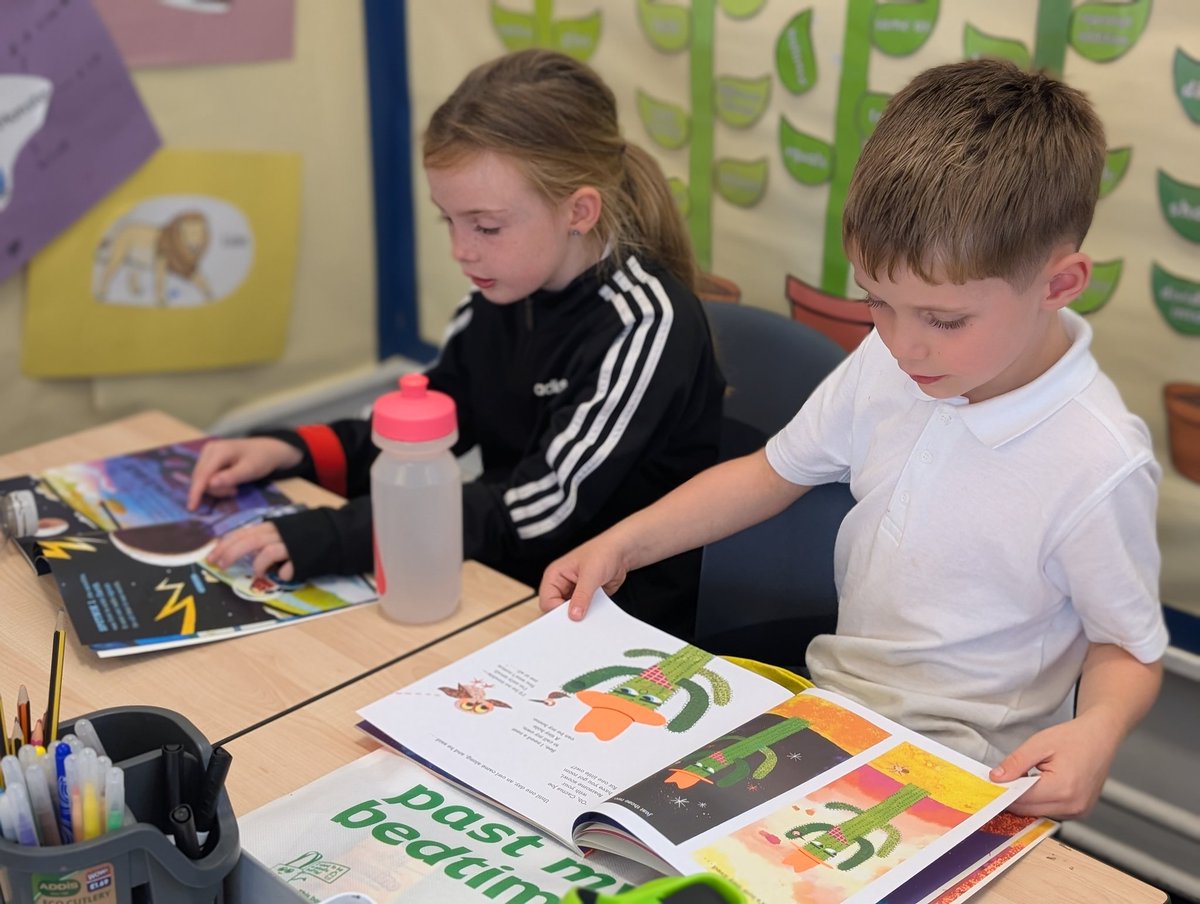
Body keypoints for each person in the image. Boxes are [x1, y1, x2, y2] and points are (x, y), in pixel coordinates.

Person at [539, 58, 1168, 819]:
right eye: (878, 302)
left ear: (1060, 284)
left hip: (971, 774)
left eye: (943, 319)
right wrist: (624, 545)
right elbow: (770, 474)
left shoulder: (1098, 460)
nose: (903, 345)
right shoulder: (892, 361)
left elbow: (1127, 646)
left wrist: (1097, 731)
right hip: (834, 717)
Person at [186, 49, 724, 639]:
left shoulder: (643, 324)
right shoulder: (499, 296)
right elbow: (417, 431)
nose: (461, 250)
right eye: (449, 221)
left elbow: (540, 505)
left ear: (579, 211)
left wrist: (336, 535)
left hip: (612, 626)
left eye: (486, 227)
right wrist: (292, 450)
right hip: (503, 588)